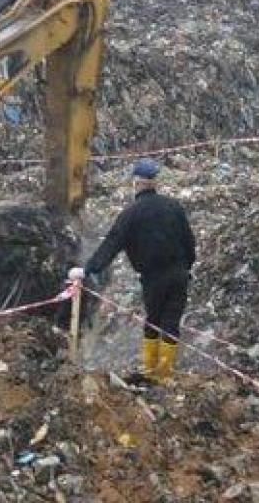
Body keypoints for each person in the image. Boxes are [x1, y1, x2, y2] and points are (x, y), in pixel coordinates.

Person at [78, 159, 195, 384]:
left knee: (153, 321)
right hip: (179, 274)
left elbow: (110, 245)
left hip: (153, 278)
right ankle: (163, 375)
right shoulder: (174, 207)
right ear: (155, 182)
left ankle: (150, 372)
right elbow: (189, 242)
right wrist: (187, 265)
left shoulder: (130, 214)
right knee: (171, 323)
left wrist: (88, 269)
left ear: (136, 183)